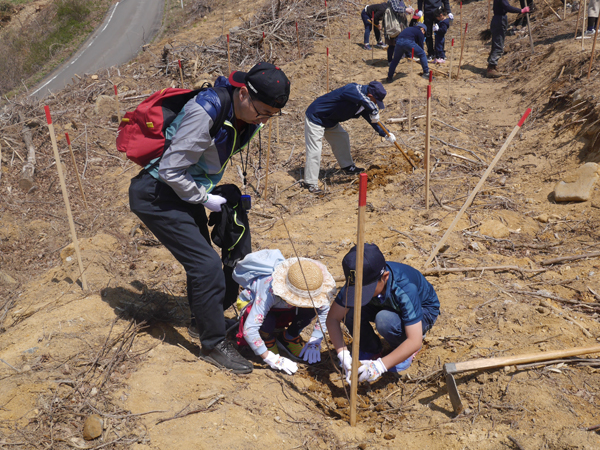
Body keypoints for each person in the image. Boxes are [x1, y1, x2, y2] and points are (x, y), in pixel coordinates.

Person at [129, 62, 290, 374]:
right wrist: (205, 199)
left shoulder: (246, 114)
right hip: (156, 193)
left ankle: (200, 321)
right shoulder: (206, 111)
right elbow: (171, 169)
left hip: (183, 189)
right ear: (243, 94)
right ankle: (213, 344)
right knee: (205, 267)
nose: (264, 120)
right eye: (262, 113)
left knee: (205, 265)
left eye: (272, 115)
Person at [326, 243, 440, 384]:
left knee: (385, 320)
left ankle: (402, 348)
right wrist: (343, 354)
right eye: (358, 290)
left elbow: (414, 341)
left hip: (422, 311)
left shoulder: (404, 287)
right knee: (349, 312)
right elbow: (333, 319)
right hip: (382, 303)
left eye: (367, 290)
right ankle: (371, 348)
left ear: (385, 277)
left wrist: (380, 366)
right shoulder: (356, 280)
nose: (361, 294)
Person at [232, 250, 336, 374]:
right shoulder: (268, 289)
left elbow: (325, 312)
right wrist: (269, 357)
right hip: (257, 304)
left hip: (285, 307)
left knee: (310, 310)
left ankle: (289, 337)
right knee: (267, 321)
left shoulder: (312, 285)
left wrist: (316, 340)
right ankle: (267, 339)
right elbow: (250, 329)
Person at [303, 81, 395, 194]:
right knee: (315, 150)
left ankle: (347, 166)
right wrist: (373, 109)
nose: (375, 104)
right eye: (376, 102)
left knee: (342, 138)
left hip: (330, 120)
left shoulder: (364, 103)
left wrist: (386, 133)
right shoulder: (353, 89)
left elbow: (374, 121)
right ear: (370, 96)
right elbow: (362, 99)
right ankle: (311, 183)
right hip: (316, 117)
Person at [487, 0, 530, 77]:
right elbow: (507, 7)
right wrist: (521, 10)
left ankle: (492, 66)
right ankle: (491, 68)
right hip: (499, 20)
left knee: (497, 43)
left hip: (499, 19)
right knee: (498, 45)